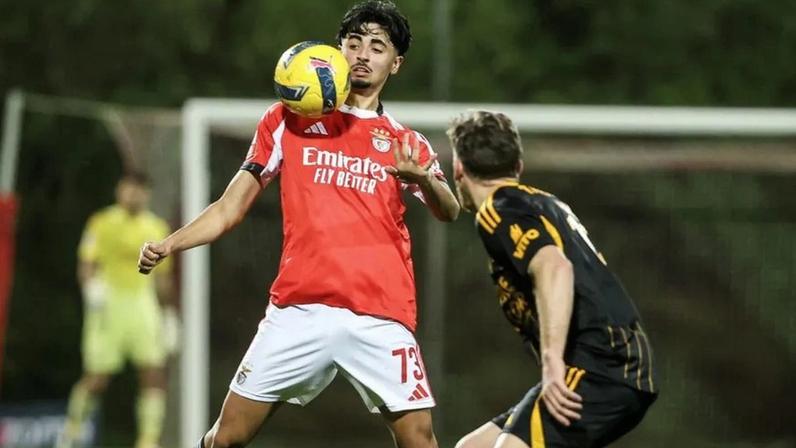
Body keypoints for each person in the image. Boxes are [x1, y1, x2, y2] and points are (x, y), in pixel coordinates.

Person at [137, 2, 460, 447]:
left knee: (420, 440)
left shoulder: (406, 142)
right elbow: (230, 207)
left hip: (380, 315)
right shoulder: (288, 119)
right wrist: (171, 244)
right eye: (354, 43)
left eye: (377, 46)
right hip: (299, 309)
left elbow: (450, 210)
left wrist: (424, 179)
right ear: (336, 51)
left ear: (396, 63)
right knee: (225, 438)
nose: (363, 54)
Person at [448, 110, 657, 448]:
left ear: (458, 167)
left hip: (602, 365)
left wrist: (551, 360)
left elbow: (555, 267)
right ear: (518, 167)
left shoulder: (497, 209)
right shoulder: (541, 202)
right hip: (613, 359)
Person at [58, 172, 178, 448]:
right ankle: (72, 431)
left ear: (147, 194)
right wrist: (91, 288)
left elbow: (163, 278)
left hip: (142, 304)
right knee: (97, 378)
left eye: (140, 190)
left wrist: (169, 314)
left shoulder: (156, 227)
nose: (134, 194)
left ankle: (148, 441)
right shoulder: (101, 222)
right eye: (129, 188)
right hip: (109, 304)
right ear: (119, 190)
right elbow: (86, 264)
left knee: (153, 373)